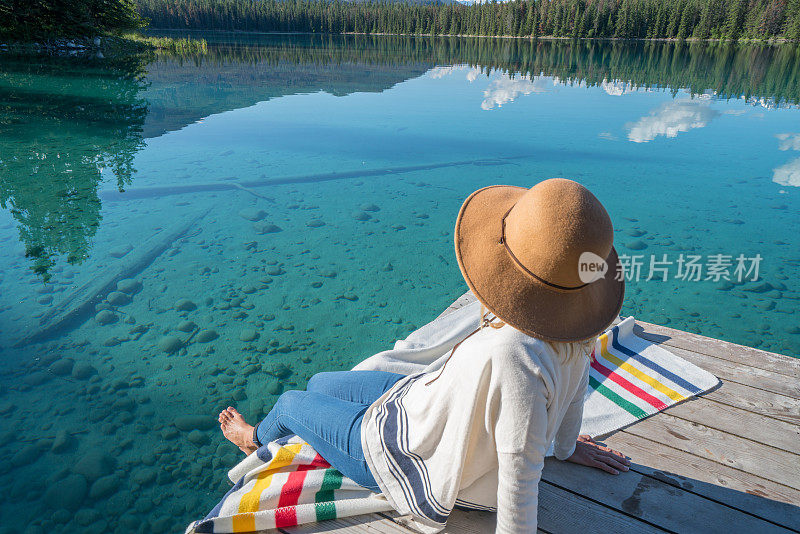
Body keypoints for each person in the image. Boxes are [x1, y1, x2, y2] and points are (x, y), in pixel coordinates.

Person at [219, 178, 631, 533]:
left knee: (292, 402)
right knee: (321, 384)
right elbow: (575, 390)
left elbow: (520, 481)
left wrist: (552, 454)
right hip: (423, 405)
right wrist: (565, 447)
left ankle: (251, 438)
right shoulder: (572, 333)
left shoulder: (515, 358)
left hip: (403, 455)